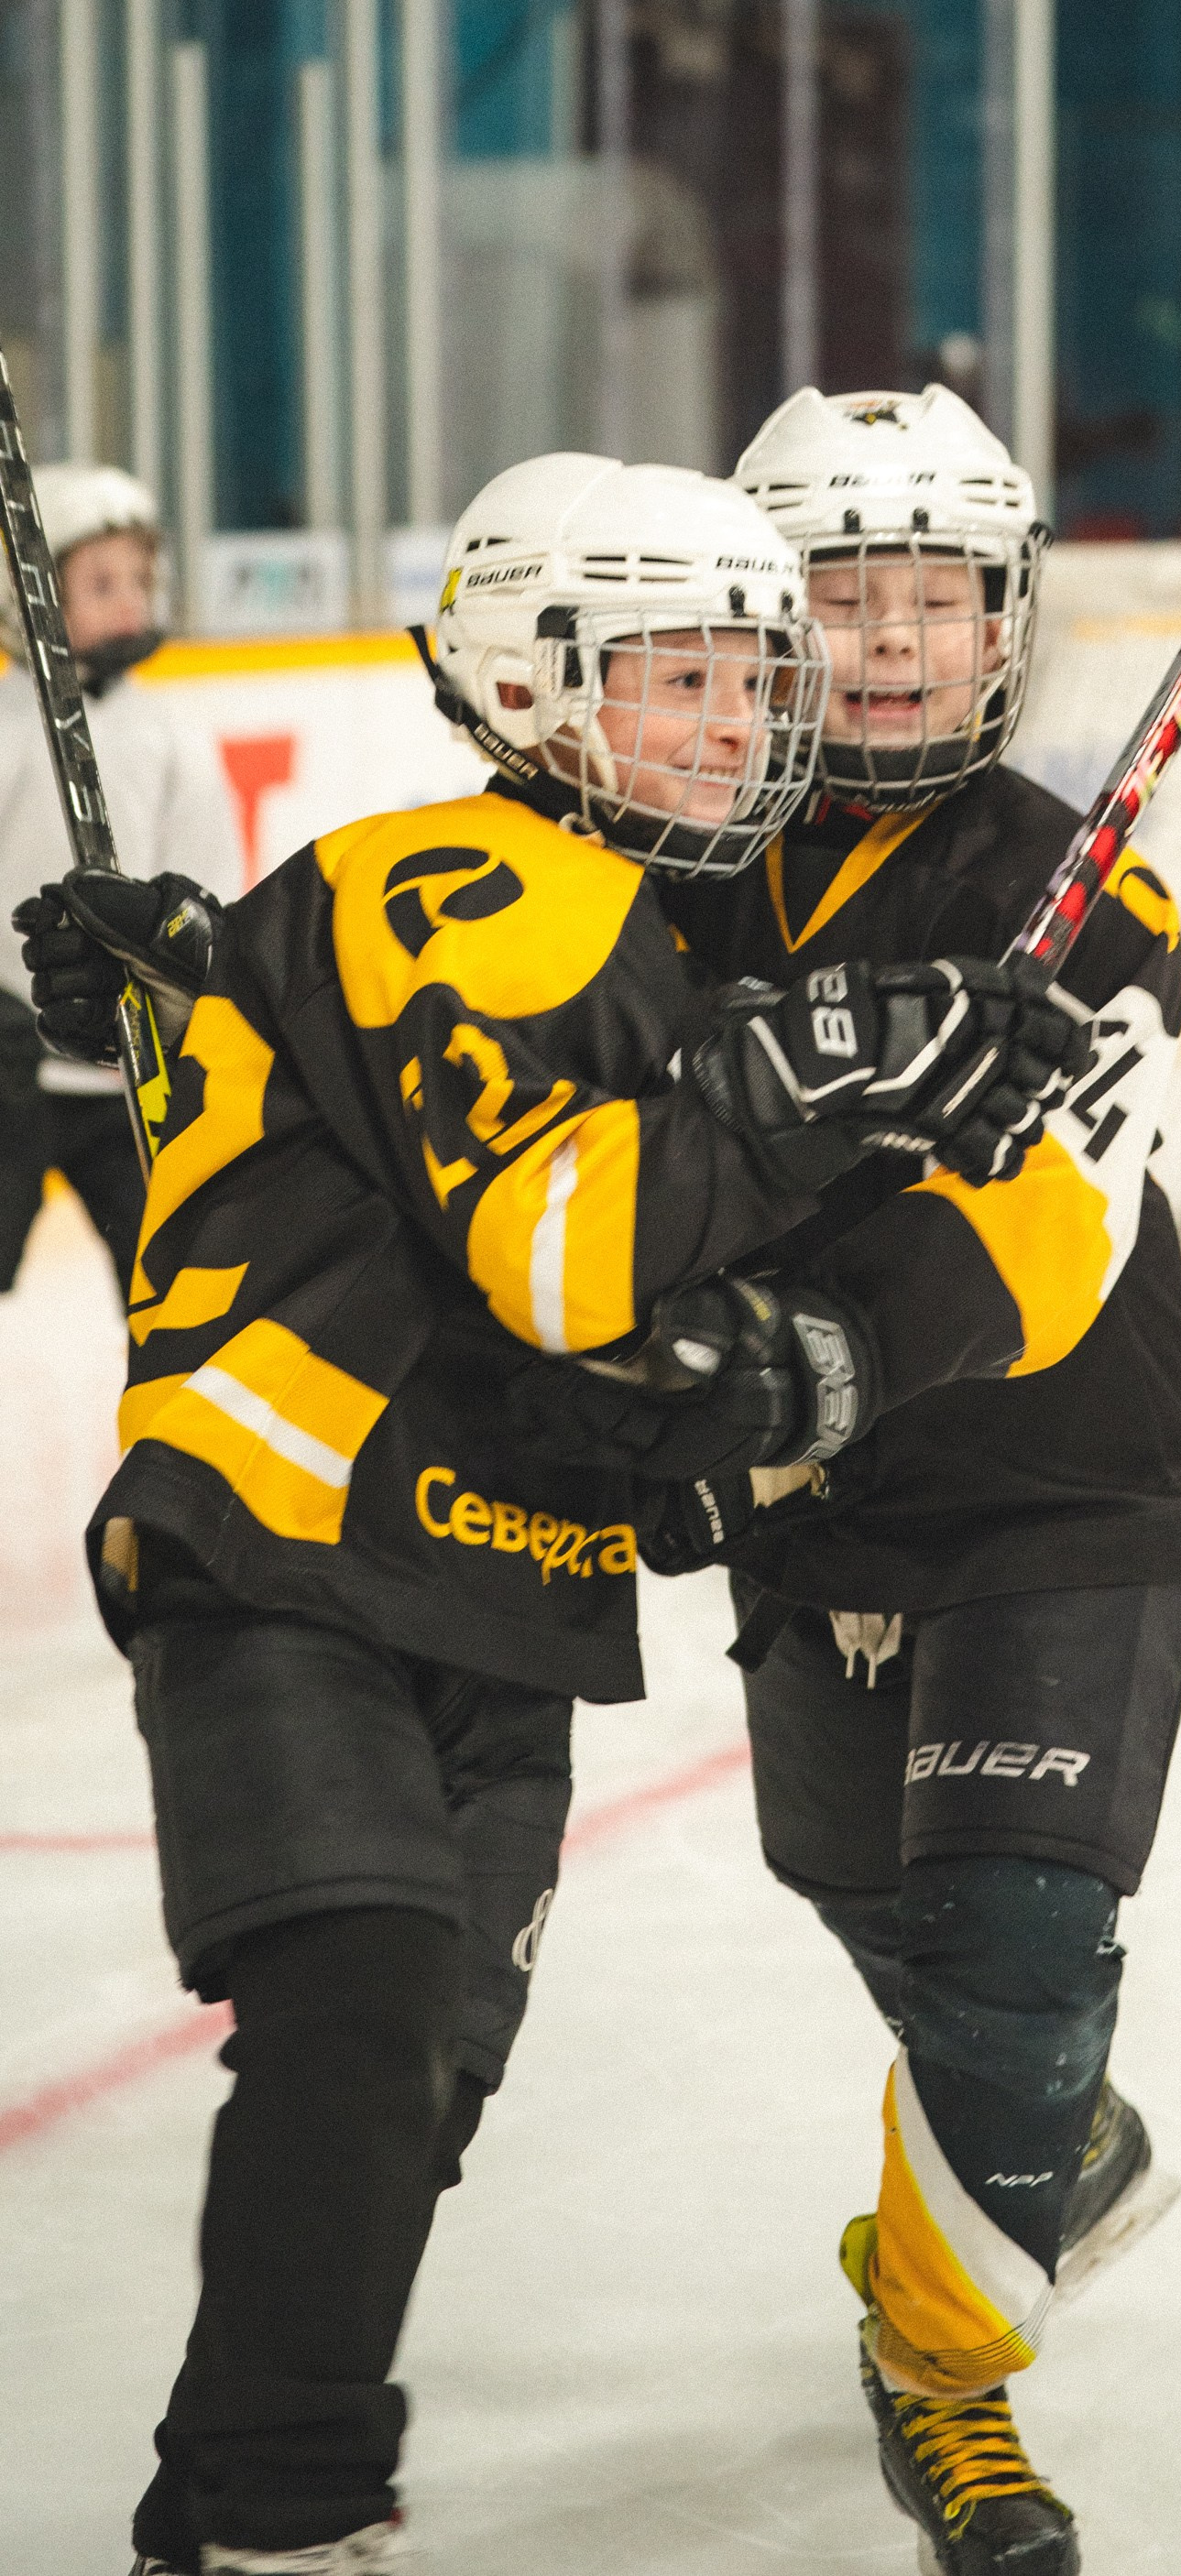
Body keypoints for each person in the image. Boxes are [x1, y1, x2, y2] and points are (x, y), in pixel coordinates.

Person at [17, 452, 1081, 2576]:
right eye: (681, 674)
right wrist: (838, 1068)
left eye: (745, 675)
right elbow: (565, 1252)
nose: (736, 720)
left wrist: (802, 1242)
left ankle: (209, 2505)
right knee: (363, 1996)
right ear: (536, 682)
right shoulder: (475, 874)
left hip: (499, 1582)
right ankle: (295, 2515)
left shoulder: (636, 943)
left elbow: (626, 1331)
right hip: (292, 1538)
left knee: (419, 2084)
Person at [520, 382, 1181, 2576]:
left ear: (1006, 620)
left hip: (1064, 1492)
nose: (897, 636)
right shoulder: (654, 873)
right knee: (875, 1899)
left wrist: (810, 1362)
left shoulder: (1079, 893)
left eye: (940, 594)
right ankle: (1043, 2138)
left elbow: (1049, 1225)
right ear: (755, 612)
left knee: (1016, 1940)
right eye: (845, 591)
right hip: (809, 1515)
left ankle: (942, 2372)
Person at [0, 463, 237, 1289]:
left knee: (168, 1278)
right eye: (101, 582)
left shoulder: (172, 736)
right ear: (27, 594)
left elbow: (207, 885)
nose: (132, 600)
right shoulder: (4, 729)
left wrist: (176, 1005)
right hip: (10, 1065)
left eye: (140, 577)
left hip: (130, 1068)